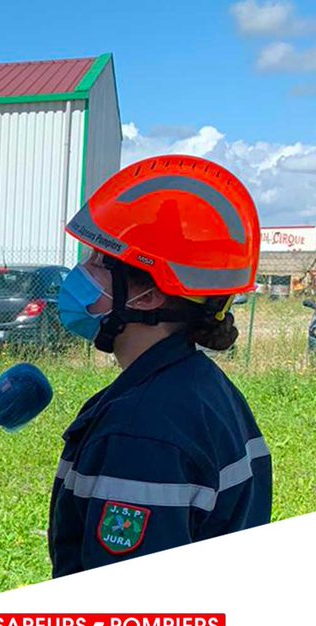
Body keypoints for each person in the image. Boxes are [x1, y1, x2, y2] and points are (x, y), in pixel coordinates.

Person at [49, 155, 272, 577]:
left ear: (148, 297)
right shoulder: (203, 385)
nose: (80, 273)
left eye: (97, 262)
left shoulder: (142, 432)